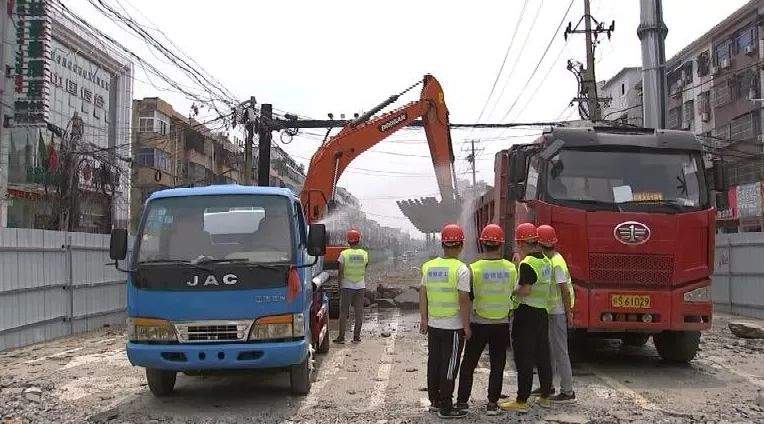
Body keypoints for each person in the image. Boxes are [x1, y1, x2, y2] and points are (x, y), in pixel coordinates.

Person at [455, 224, 516, 416]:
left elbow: (468, 297)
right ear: (500, 245)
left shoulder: (473, 269)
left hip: (479, 323)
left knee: (469, 365)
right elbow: (515, 292)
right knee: (497, 365)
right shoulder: (511, 268)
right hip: (501, 324)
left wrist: (465, 324)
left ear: (482, 244)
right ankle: (492, 403)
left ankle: (462, 402)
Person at [499, 223, 554, 413]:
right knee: (542, 354)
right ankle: (545, 395)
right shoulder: (546, 261)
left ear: (521, 242)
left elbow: (526, 289)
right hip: (542, 312)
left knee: (524, 357)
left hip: (527, 313)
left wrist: (511, 291)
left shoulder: (528, 263)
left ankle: (522, 400)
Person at [420, 224, 472, 419]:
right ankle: (446, 406)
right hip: (453, 327)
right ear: (460, 245)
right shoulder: (461, 269)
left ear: (442, 244)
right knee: (449, 365)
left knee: (434, 362)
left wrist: (424, 319)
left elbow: (423, 294)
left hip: (434, 325)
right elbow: (464, 299)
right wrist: (466, 326)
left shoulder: (429, 266)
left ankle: (434, 401)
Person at [535, 224, 576, 403]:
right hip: (551, 311)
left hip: (557, 312)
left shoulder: (556, 263)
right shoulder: (551, 259)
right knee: (549, 351)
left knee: (560, 351)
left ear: (540, 244)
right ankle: (547, 386)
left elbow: (564, 290)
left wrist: (569, 314)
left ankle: (567, 392)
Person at [334, 229, 368, 344]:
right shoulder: (364, 254)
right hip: (360, 285)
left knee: (344, 312)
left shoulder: (344, 254)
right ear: (358, 240)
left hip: (347, 285)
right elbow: (365, 266)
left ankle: (341, 337)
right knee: (359, 312)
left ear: (348, 240)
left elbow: (340, 272)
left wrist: (339, 286)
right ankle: (356, 337)